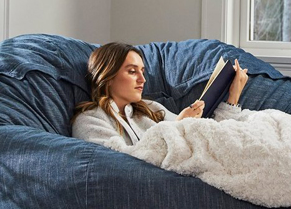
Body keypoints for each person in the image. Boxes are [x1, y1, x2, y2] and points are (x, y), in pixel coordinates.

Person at [72, 42, 249, 146]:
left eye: (142, 71)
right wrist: (178, 125)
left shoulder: (151, 109)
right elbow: (122, 164)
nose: (143, 79)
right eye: (132, 71)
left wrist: (233, 95)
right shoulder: (90, 120)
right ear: (108, 77)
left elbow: (211, 139)